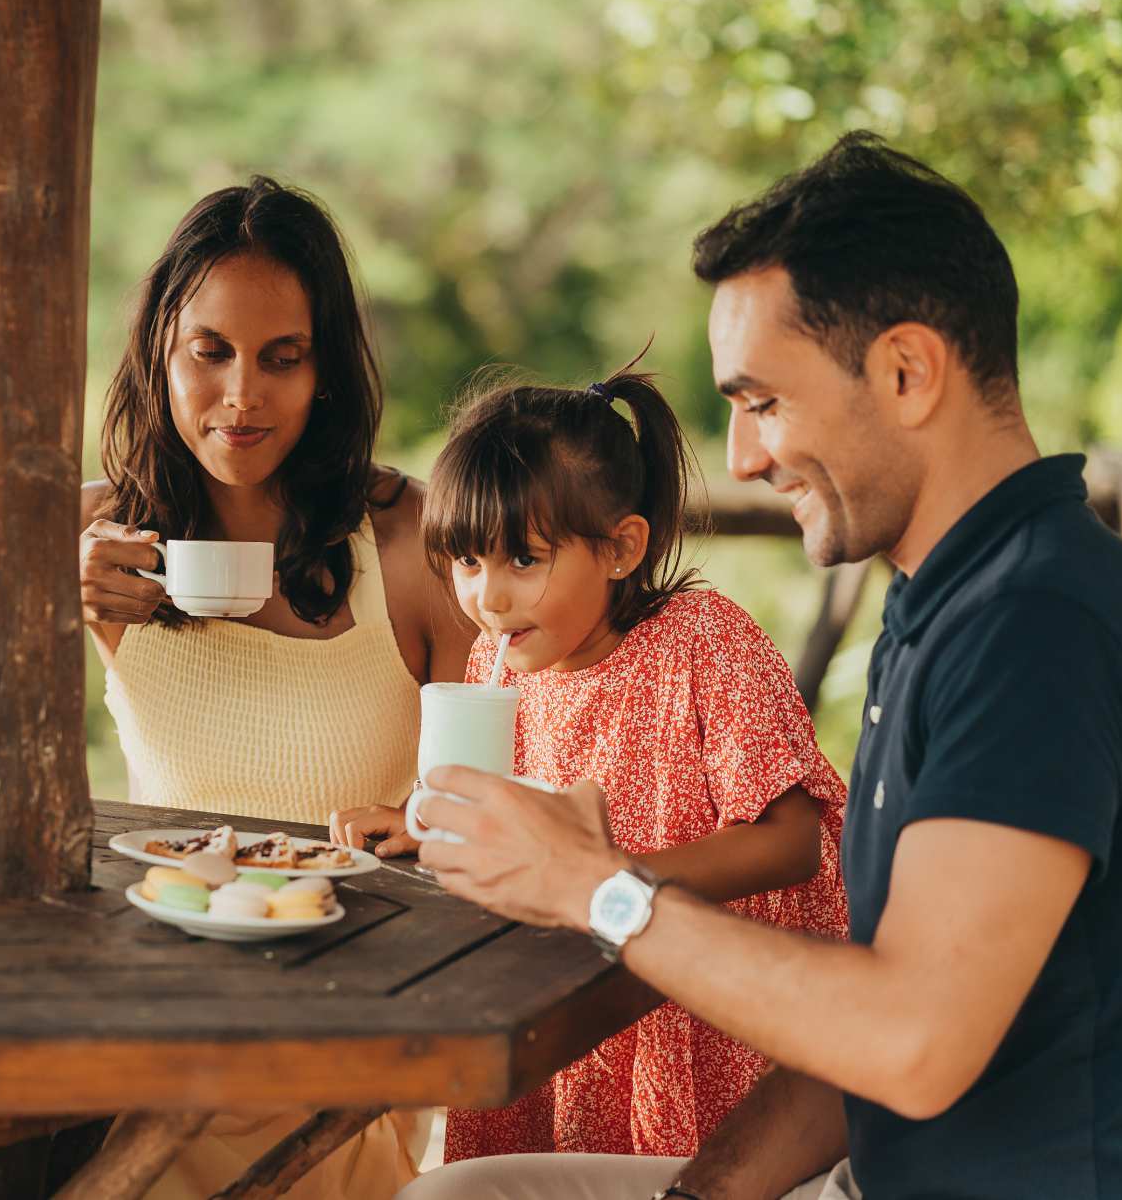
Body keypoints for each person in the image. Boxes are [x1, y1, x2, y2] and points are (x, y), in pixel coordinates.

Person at [399, 132, 1122, 1200]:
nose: (740, 456)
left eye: (761, 401)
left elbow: (909, 1039)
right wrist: (699, 1192)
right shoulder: (943, 601)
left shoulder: (1036, 626)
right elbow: (859, 1027)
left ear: (904, 371)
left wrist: (591, 885)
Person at [333, 367, 847, 1162]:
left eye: (524, 561)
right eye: (467, 563)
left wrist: (609, 880)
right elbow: (512, 811)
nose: (488, 599)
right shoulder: (498, 665)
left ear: (621, 548)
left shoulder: (704, 644)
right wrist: (421, 824)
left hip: (703, 1014)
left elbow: (791, 841)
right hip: (567, 1013)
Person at [80, 176, 472, 1200]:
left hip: (343, 1035)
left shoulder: (409, 544)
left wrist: (428, 827)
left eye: (280, 358)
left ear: (326, 370)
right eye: (208, 352)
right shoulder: (93, 545)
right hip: (144, 1015)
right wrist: (36, 598)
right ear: (160, 353)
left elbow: (493, 799)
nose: (241, 396)